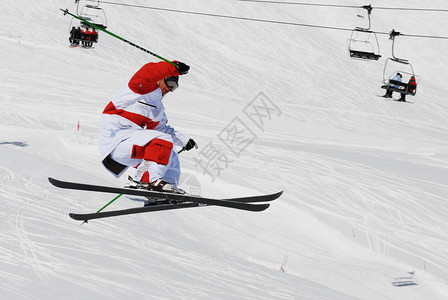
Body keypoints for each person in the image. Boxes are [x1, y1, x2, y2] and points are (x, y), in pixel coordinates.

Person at [99, 60, 195, 194]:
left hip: (131, 144)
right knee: (162, 139)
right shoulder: (140, 88)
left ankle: (166, 190)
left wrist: (184, 140)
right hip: (116, 141)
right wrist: (172, 68)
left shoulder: (158, 108)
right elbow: (149, 72)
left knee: (169, 153)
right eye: (170, 83)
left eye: (174, 87)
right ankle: (147, 180)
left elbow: (162, 130)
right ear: (160, 79)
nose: (169, 89)